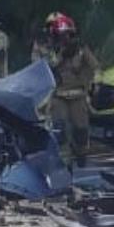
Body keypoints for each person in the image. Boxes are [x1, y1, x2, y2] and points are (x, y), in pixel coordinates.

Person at [34, 12, 98, 168]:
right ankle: (64, 162)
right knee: (59, 129)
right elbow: (42, 67)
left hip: (78, 94)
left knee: (81, 130)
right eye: (61, 35)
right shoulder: (46, 47)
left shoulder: (81, 48)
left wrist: (96, 84)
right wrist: (61, 54)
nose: (65, 38)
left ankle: (81, 153)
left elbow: (95, 68)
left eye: (68, 35)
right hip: (57, 95)